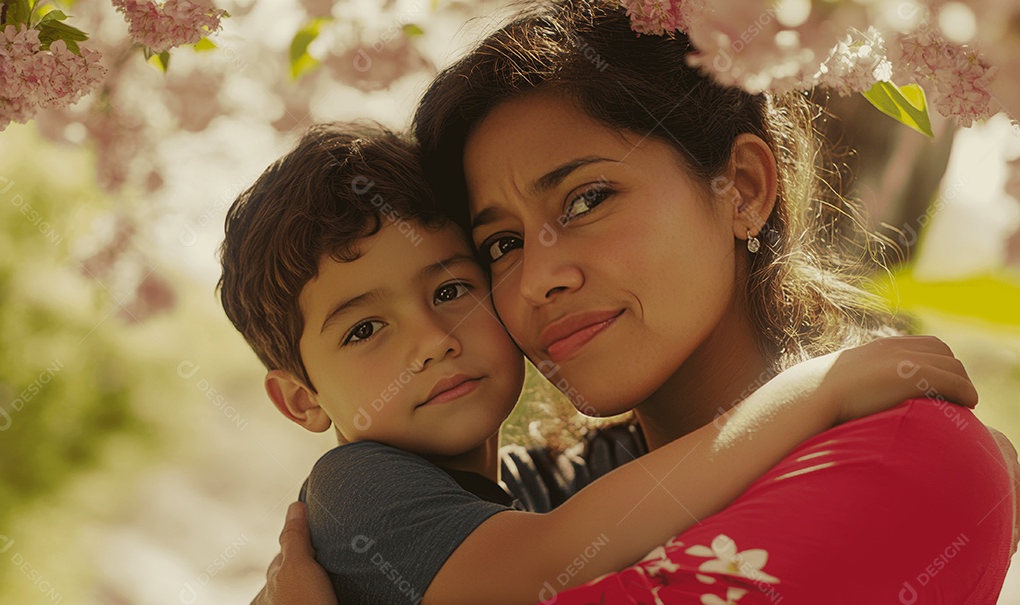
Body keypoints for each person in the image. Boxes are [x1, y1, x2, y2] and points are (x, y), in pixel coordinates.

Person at [252, 1, 1020, 602]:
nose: (538, 278)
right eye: (502, 243)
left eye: (587, 198)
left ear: (743, 189)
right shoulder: (556, 487)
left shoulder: (904, 453)